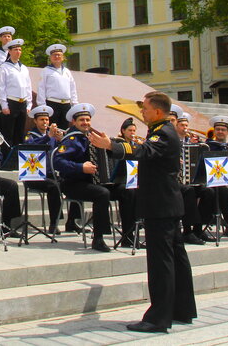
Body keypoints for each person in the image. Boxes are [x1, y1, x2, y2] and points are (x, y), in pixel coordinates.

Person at [91, 91, 197, 333]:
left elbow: (143, 152)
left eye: (146, 109)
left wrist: (111, 145)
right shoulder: (162, 130)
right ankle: (182, 309)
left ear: (158, 111)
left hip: (160, 206)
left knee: (161, 263)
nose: (142, 112)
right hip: (166, 204)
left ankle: (157, 318)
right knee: (176, 259)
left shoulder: (164, 132)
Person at [52, 103, 115, 252]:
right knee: (102, 194)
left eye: (88, 120)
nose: (86, 123)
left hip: (89, 182)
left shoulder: (90, 138)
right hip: (71, 183)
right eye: (82, 120)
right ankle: (98, 238)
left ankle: (128, 235)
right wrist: (81, 167)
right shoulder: (72, 139)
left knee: (126, 191)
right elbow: (57, 161)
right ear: (74, 122)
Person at [23, 105, 64, 235]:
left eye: (47, 120)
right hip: (34, 176)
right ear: (35, 121)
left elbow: (62, 152)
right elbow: (31, 147)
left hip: (51, 173)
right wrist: (48, 137)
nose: (45, 122)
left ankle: (72, 221)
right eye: (42, 120)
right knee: (53, 186)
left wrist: (61, 141)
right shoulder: (29, 136)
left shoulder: (51, 136)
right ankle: (54, 223)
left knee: (72, 181)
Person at [174, 113, 211, 245]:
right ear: (176, 126)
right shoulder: (172, 142)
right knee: (188, 191)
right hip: (175, 181)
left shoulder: (191, 143)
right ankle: (188, 231)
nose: (185, 128)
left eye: (186, 125)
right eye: (182, 125)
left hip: (190, 181)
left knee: (208, 191)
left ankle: (198, 229)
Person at [0, 38, 33, 145]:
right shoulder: (4, 67)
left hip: (22, 102)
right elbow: (1, 87)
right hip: (11, 102)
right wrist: (4, 105)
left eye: (20, 50)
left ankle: (17, 157)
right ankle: (7, 158)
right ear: (9, 51)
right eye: (15, 49)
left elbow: (28, 87)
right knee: (8, 133)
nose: (18, 52)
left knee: (20, 133)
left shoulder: (24, 68)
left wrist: (29, 104)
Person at [109, 118, 140, 248]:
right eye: (130, 130)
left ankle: (138, 228)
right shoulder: (117, 144)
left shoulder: (136, 145)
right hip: (116, 183)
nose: (132, 133)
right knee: (129, 192)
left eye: (134, 130)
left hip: (132, 181)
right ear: (123, 131)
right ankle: (128, 235)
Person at [36, 43, 78, 130]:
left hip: (66, 104)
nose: (57, 57)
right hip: (52, 104)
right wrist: (42, 105)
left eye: (59, 55)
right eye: (54, 55)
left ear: (63, 57)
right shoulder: (46, 71)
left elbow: (72, 88)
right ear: (50, 58)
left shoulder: (67, 72)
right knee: (52, 129)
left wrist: (74, 103)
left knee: (64, 129)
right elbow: (41, 88)